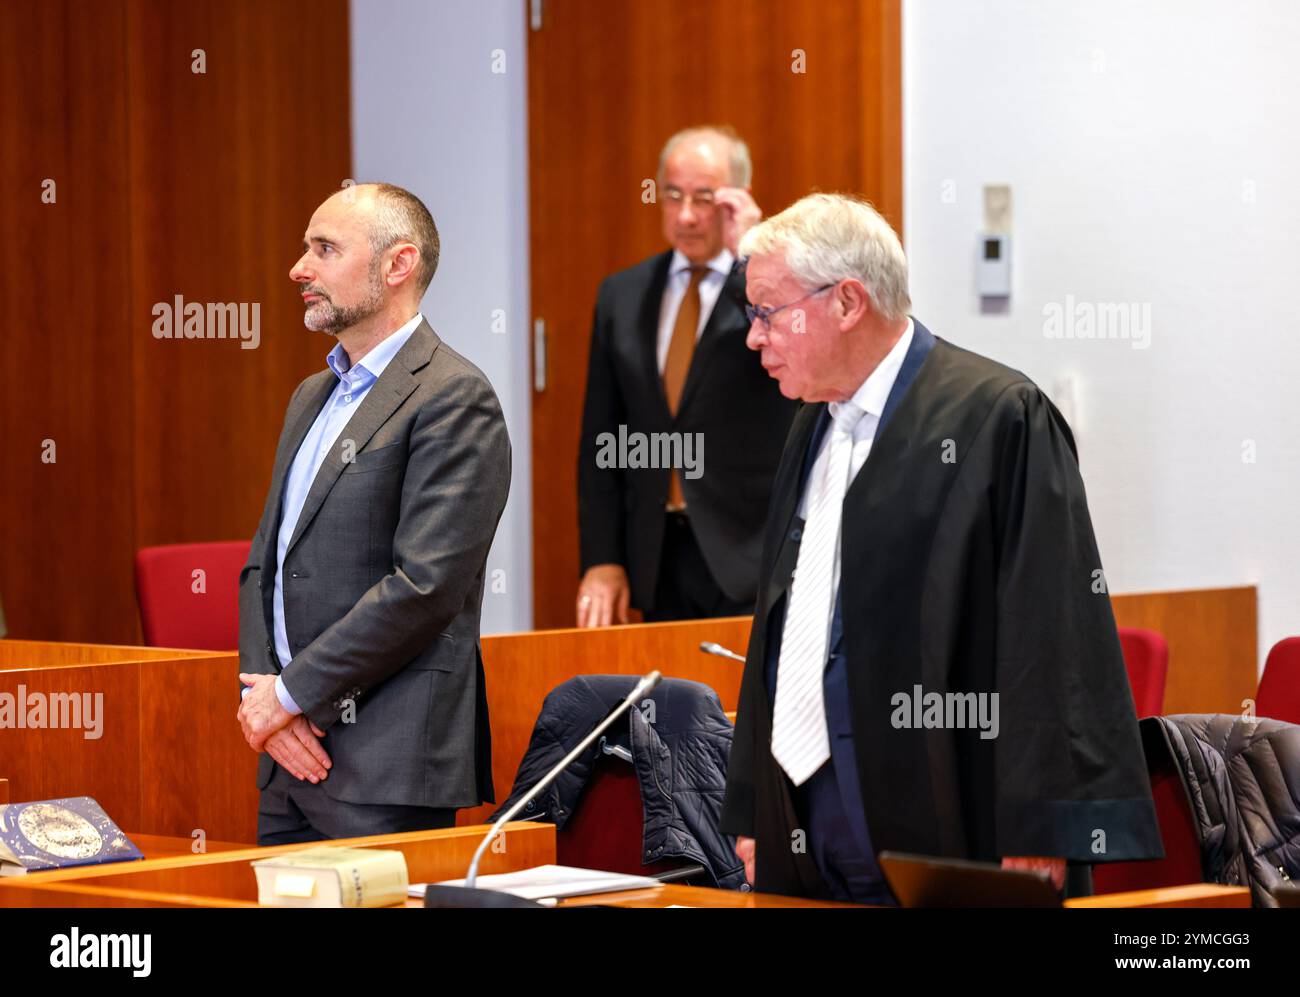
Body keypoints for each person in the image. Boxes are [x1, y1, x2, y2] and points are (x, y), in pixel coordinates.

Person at [720, 193, 1161, 903]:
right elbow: (782, 620)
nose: (753, 336)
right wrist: (755, 805)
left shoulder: (998, 418)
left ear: (847, 302)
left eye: (768, 311)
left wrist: (1041, 822)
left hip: (950, 815)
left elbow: (1051, 632)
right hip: (809, 815)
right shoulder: (812, 428)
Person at [236, 183, 511, 844]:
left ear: (397, 266)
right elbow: (263, 563)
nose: (299, 269)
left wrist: (290, 695)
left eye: (324, 249)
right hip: (288, 760)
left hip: (387, 764)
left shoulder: (454, 397)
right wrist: (264, 701)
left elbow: (423, 587)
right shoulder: (311, 394)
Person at [576, 125, 797, 626]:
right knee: (669, 702)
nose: (687, 216)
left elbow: (793, 362)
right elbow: (601, 439)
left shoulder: (767, 290)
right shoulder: (622, 295)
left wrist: (753, 252)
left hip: (752, 551)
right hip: (656, 557)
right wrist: (602, 558)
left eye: (705, 198)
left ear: (737, 200)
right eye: (673, 196)